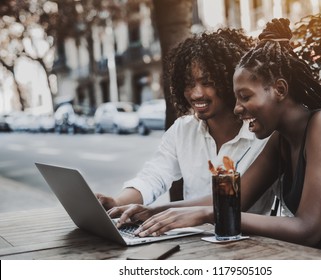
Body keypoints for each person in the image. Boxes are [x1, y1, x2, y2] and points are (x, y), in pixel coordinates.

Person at [125, 19, 321, 259]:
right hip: (318, 258)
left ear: (280, 90)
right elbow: (234, 198)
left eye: (245, 96)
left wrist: (209, 214)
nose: (237, 108)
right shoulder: (280, 140)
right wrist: (154, 212)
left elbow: (308, 228)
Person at [97, 28, 276, 221]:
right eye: (189, 84)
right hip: (194, 242)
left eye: (207, 82)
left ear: (230, 81)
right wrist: (118, 202)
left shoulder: (262, 135)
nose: (196, 94)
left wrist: (157, 211)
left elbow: (233, 200)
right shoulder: (183, 129)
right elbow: (154, 176)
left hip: (253, 245)